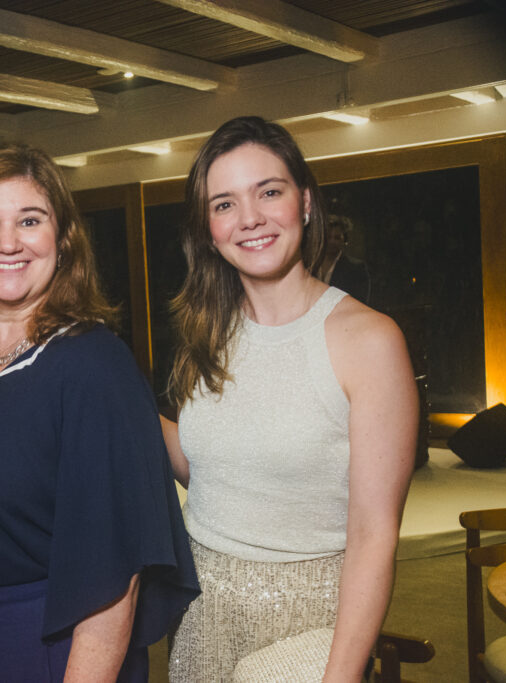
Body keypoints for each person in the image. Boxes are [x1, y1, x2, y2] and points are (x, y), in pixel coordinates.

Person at [0, 143, 199, 682]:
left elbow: (116, 570)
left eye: (30, 220)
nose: (8, 242)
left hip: (60, 645)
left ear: (63, 239)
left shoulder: (94, 365)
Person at [162, 116, 417, 681]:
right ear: (207, 228)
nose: (249, 218)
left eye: (268, 192)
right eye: (224, 204)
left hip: (309, 622)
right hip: (204, 612)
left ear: (304, 202)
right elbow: (208, 471)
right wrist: (128, 411)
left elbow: (374, 534)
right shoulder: (208, 331)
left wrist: (342, 674)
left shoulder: (369, 340)